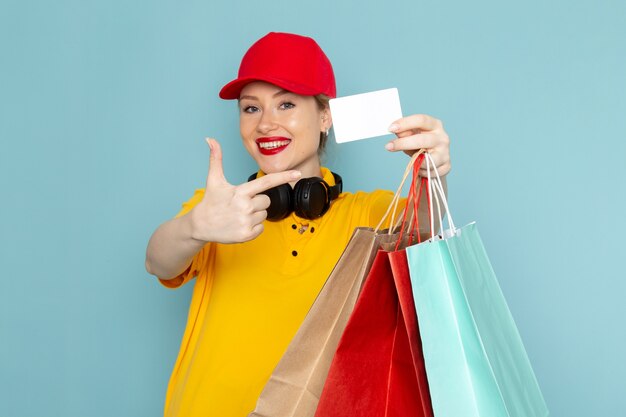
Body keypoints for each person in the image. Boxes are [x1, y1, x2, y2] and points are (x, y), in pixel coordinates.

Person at [145, 32, 451, 417]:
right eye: (251, 108)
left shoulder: (368, 214)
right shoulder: (223, 209)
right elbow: (158, 262)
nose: (265, 124)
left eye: (285, 104)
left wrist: (431, 174)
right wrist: (195, 226)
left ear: (325, 117)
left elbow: (423, 228)